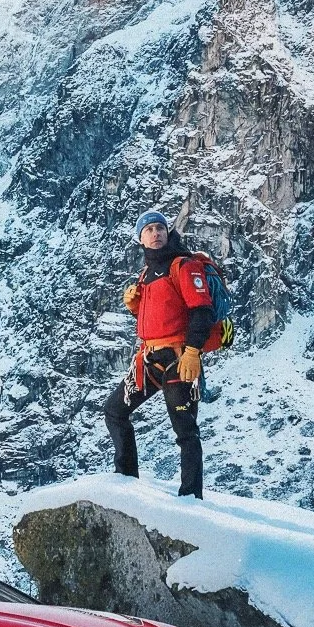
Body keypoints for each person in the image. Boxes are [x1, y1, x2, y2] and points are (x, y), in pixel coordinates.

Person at [103, 210, 215, 499]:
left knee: (185, 430)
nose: (156, 233)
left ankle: (191, 497)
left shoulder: (184, 266)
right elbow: (160, 316)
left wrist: (193, 353)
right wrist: (135, 307)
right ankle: (126, 479)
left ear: (167, 232)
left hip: (179, 359)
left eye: (160, 228)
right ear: (140, 238)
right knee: (115, 410)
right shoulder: (146, 275)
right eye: (149, 229)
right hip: (150, 359)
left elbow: (202, 312)